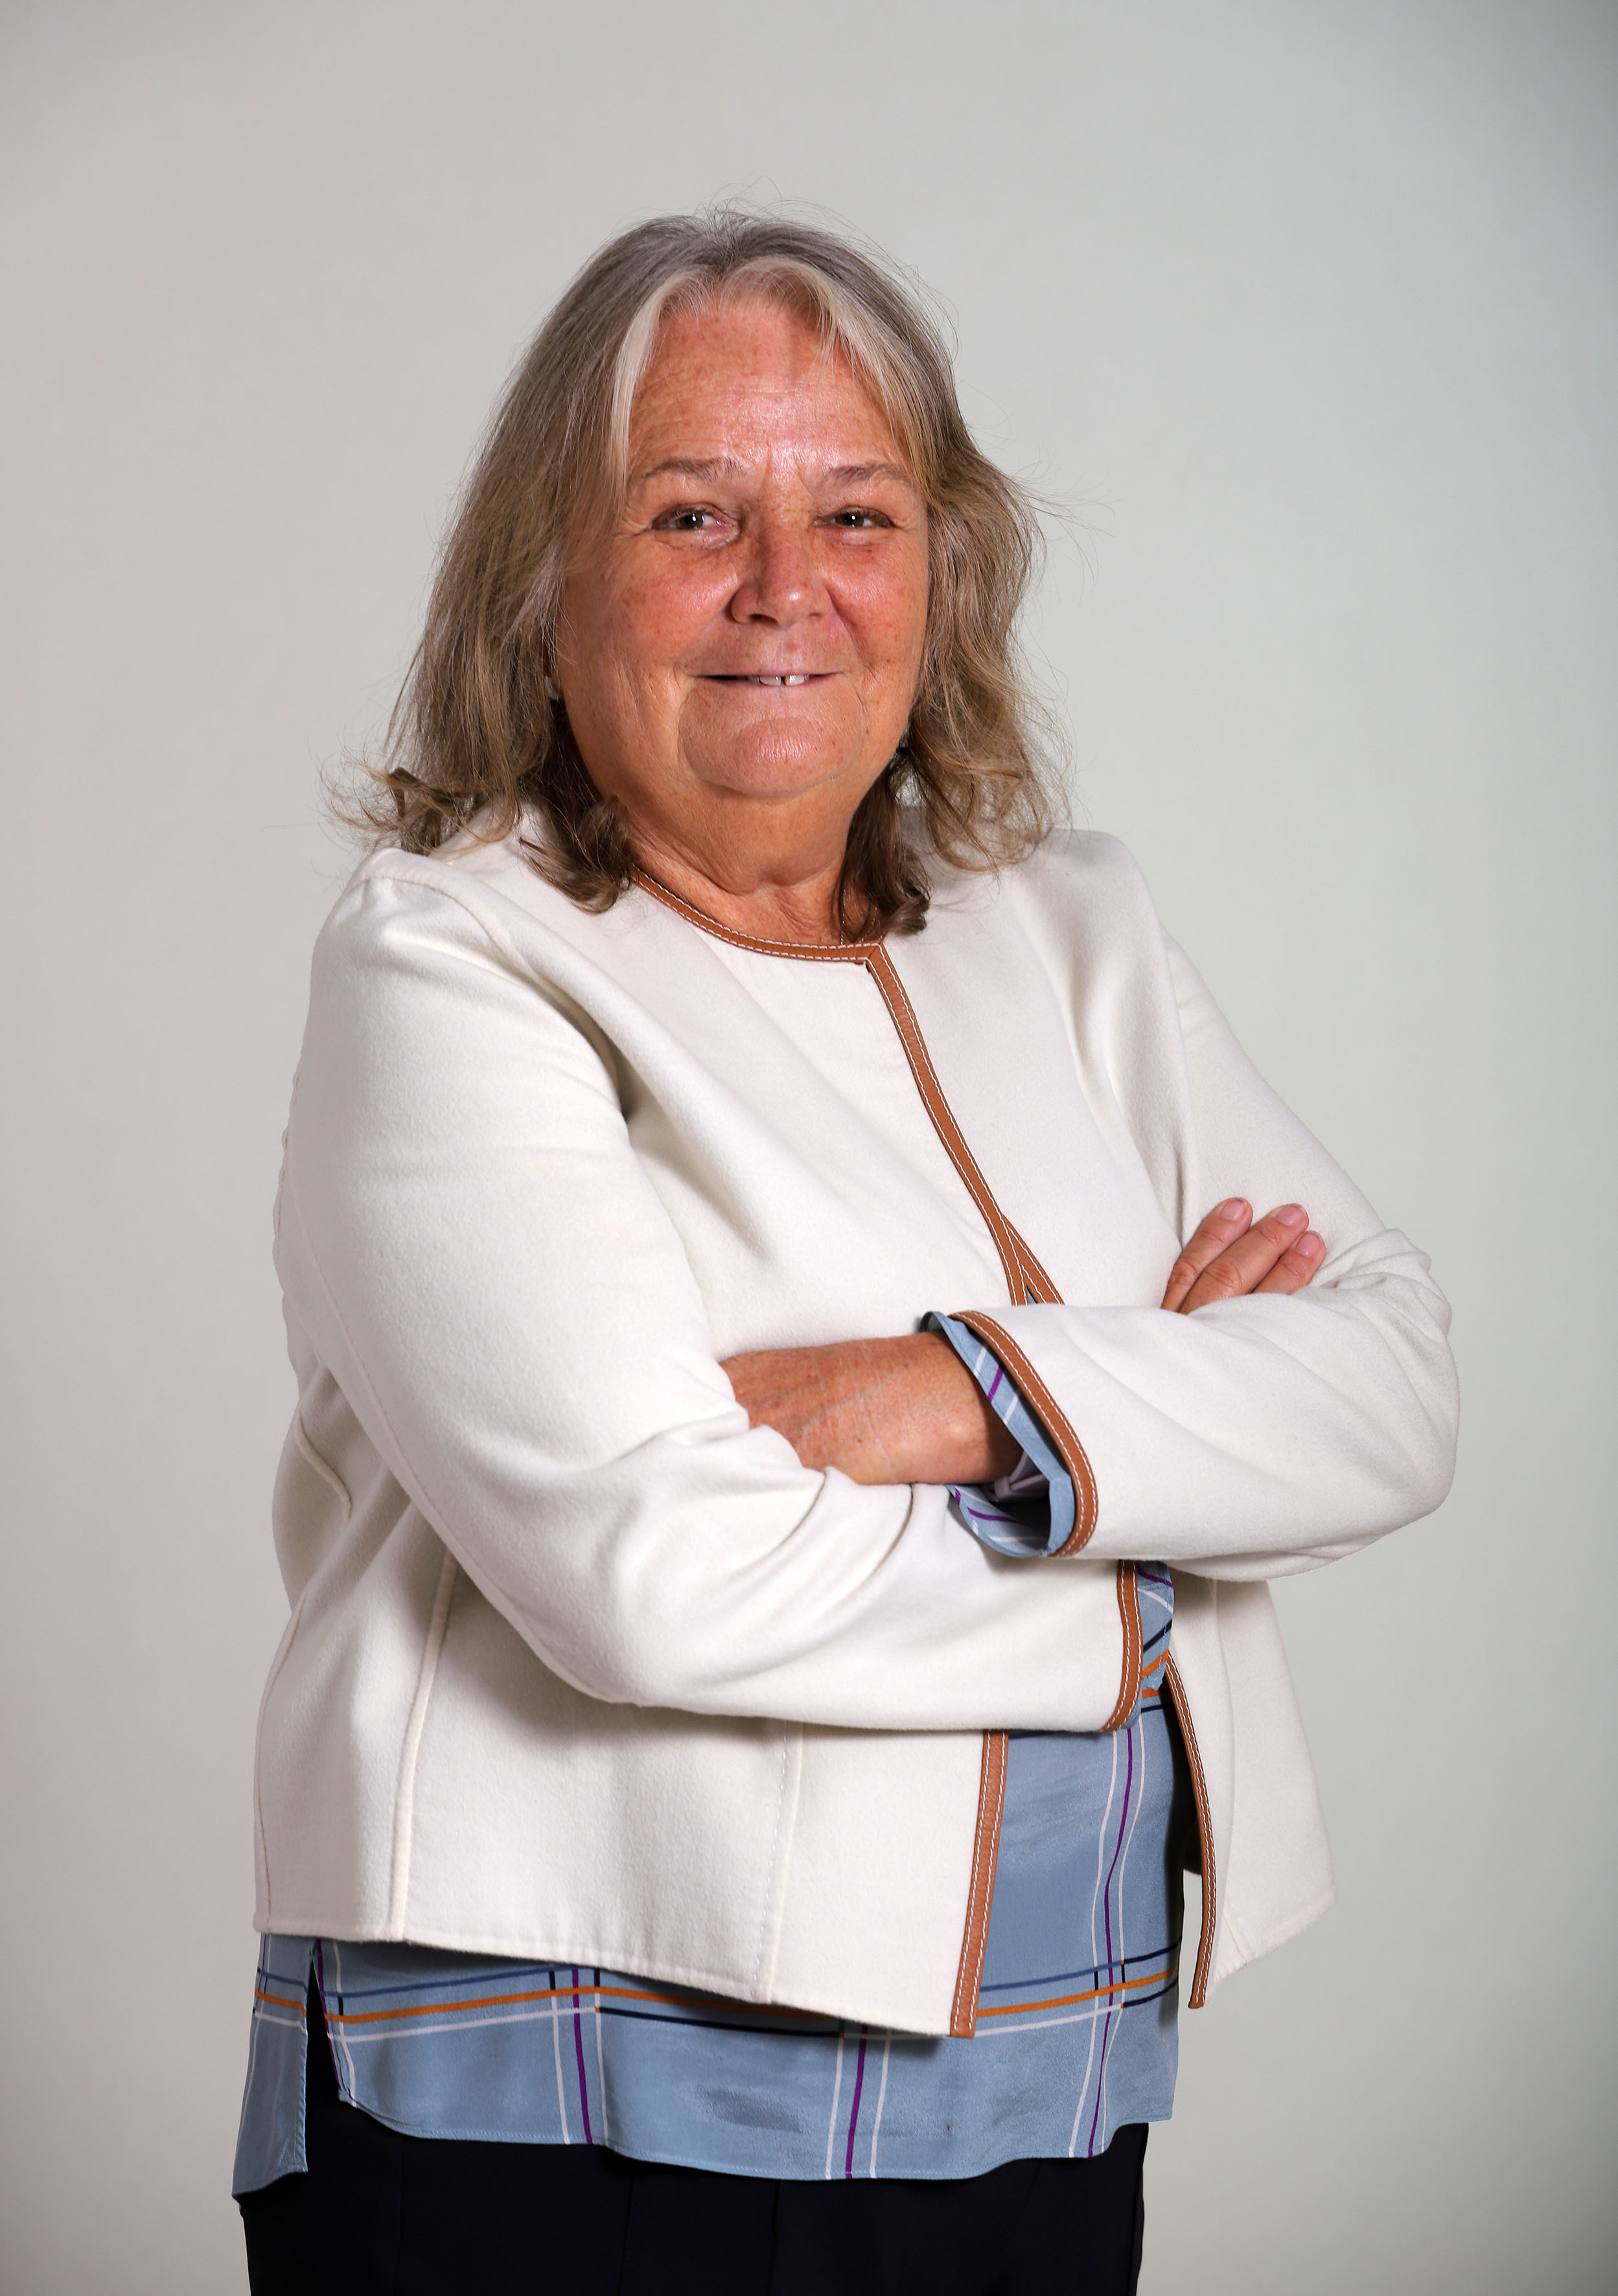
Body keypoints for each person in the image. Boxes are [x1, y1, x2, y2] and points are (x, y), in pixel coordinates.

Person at [233, 209, 1458, 2295]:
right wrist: (1153, 1503)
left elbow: (1393, 1389)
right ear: (544, 586)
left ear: (941, 571)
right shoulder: (452, 959)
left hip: (1039, 2082)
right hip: (562, 2114)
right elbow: (651, 1576)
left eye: (858, 514)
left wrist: (949, 1397)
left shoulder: (1070, 928)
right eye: (690, 513)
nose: (784, 586)